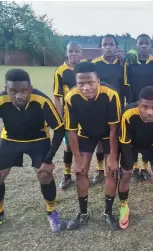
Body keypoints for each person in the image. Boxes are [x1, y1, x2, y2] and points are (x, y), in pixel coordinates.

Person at [0, 69, 65, 234]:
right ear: (6, 89)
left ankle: (52, 211)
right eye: (13, 91)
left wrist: (48, 160)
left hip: (38, 140)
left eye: (24, 91)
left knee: (44, 174)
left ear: (30, 89)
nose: (19, 96)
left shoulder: (42, 100)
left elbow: (59, 129)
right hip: (10, 140)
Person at [64, 62, 121, 230]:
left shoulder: (111, 95)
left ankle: (108, 212)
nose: (86, 88)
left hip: (107, 134)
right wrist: (77, 160)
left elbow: (114, 129)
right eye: (81, 83)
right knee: (81, 172)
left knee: (112, 171)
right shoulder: (71, 98)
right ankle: (83, 213)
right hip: (85, 134)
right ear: (76, 82)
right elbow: (72, 131)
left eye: (91, 83)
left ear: (98, 80)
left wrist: (111, 157)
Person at [118, 86, 153, 228]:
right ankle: (124, 207)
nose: (150, 112)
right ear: (138, 105)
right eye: (145, 107)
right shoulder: (128, 113)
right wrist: (128, 165)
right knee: (125, 175)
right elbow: (124, 142)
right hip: (131, 145)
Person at [124, 34, 153, 181]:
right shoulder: (130, 62)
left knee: (147, 135)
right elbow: (126, 84)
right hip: (134, 104)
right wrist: (131, 104)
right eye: (141, 43)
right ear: (137, 45)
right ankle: (134, 167)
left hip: (150, 106)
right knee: (133, 135)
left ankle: (145, 167)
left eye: (147, 44)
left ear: (151, 46)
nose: (144, 46)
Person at [91, 34, 128, 185]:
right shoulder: (94, 64)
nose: (108, 47)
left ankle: (115, 166)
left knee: (116, 138)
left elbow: (125, 86)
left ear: (116, 47)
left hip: (117, 107)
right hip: (99, 108)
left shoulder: (121, 64)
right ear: (101, 47)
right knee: (100, 140)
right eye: (105, 44)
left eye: (111, 44)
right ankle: (100, 170)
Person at [53, 41, 82, 190]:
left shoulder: (86, 68)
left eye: (76, 51)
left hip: (87, 114)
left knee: (93, 143)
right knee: (69, 145)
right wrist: (59, 117)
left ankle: (100, 170)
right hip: (69, 115)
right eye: (71, 51)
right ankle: (66, 174)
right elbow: (57, 97)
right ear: (66, 53)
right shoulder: (61, 71)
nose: (73, 54)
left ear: (81, 53)